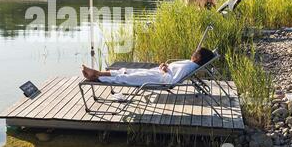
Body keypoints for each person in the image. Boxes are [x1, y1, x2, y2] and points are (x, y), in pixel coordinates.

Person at [81, 48, 215, 87]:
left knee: (127, 77)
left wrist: (164, 70)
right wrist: (165, 66)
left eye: (196, 52)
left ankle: (96, 78)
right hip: (157, 73)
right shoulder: (189, 63)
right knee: (127, 71)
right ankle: (97, 73)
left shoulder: (188, 66)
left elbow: (171, 81)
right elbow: (172, 71)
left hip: (157, 78)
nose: (193, 52)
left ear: (198, 58)